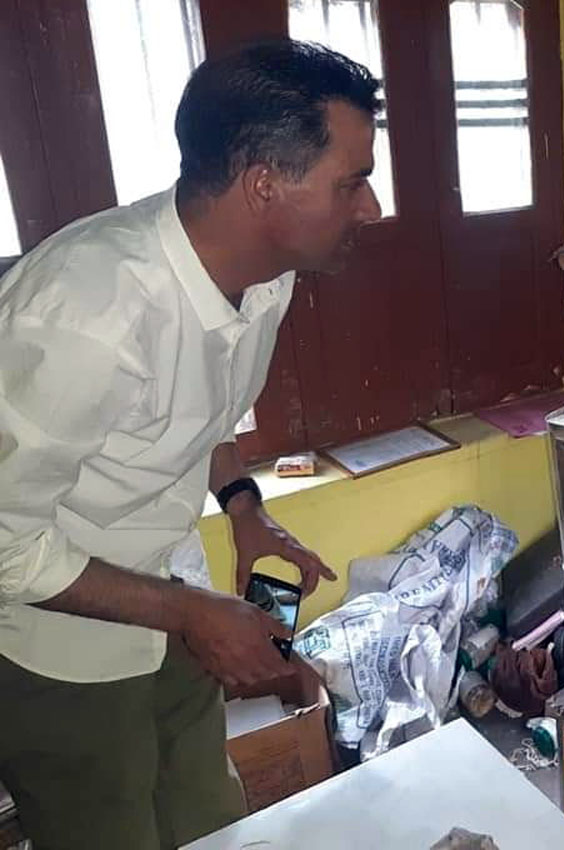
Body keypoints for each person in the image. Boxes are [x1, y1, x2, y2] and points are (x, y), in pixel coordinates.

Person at [0, 40, 382, 849]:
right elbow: (3, 544)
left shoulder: (265, 275)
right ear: (264, 186)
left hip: (171, 597)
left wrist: (243, 508)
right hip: (55, 643)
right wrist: (188, 612)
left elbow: (202, 413)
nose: (371, 208)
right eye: (351, 182)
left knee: (210, 819)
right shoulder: (87, 314)